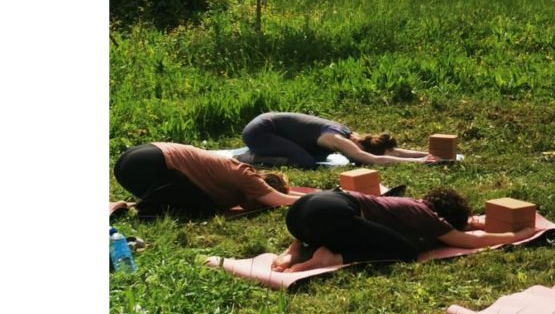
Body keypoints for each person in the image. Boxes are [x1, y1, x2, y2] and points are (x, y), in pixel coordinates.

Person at [271, 186, 537, 272]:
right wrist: (516, 236)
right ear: (443, 216)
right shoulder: (425, 214)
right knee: (407, 252)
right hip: (334, 216)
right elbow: (465, 240)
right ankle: (331, 258)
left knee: (356, 234)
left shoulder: (403, 204)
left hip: (299, 215)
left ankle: (296, 248)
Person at [113, 142, 304, 219]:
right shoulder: (248, 177)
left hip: (133, 163)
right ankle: (145, 211)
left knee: (201, 202)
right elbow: (281, 200)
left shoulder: (234, 186)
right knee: (203, 207)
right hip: (147, 163)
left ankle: (139, 207)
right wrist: (330, 198)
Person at [241, 112, 437, 169]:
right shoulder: (336, 138)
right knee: (306, 162)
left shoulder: (351, 134)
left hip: (272, 127)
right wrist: (418, 162)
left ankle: (269, 151)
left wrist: (426, 155)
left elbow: (389, 152)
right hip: (259, 132)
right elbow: (374, 159)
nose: (354, 156)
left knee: (316, 154)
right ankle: (253, 156)